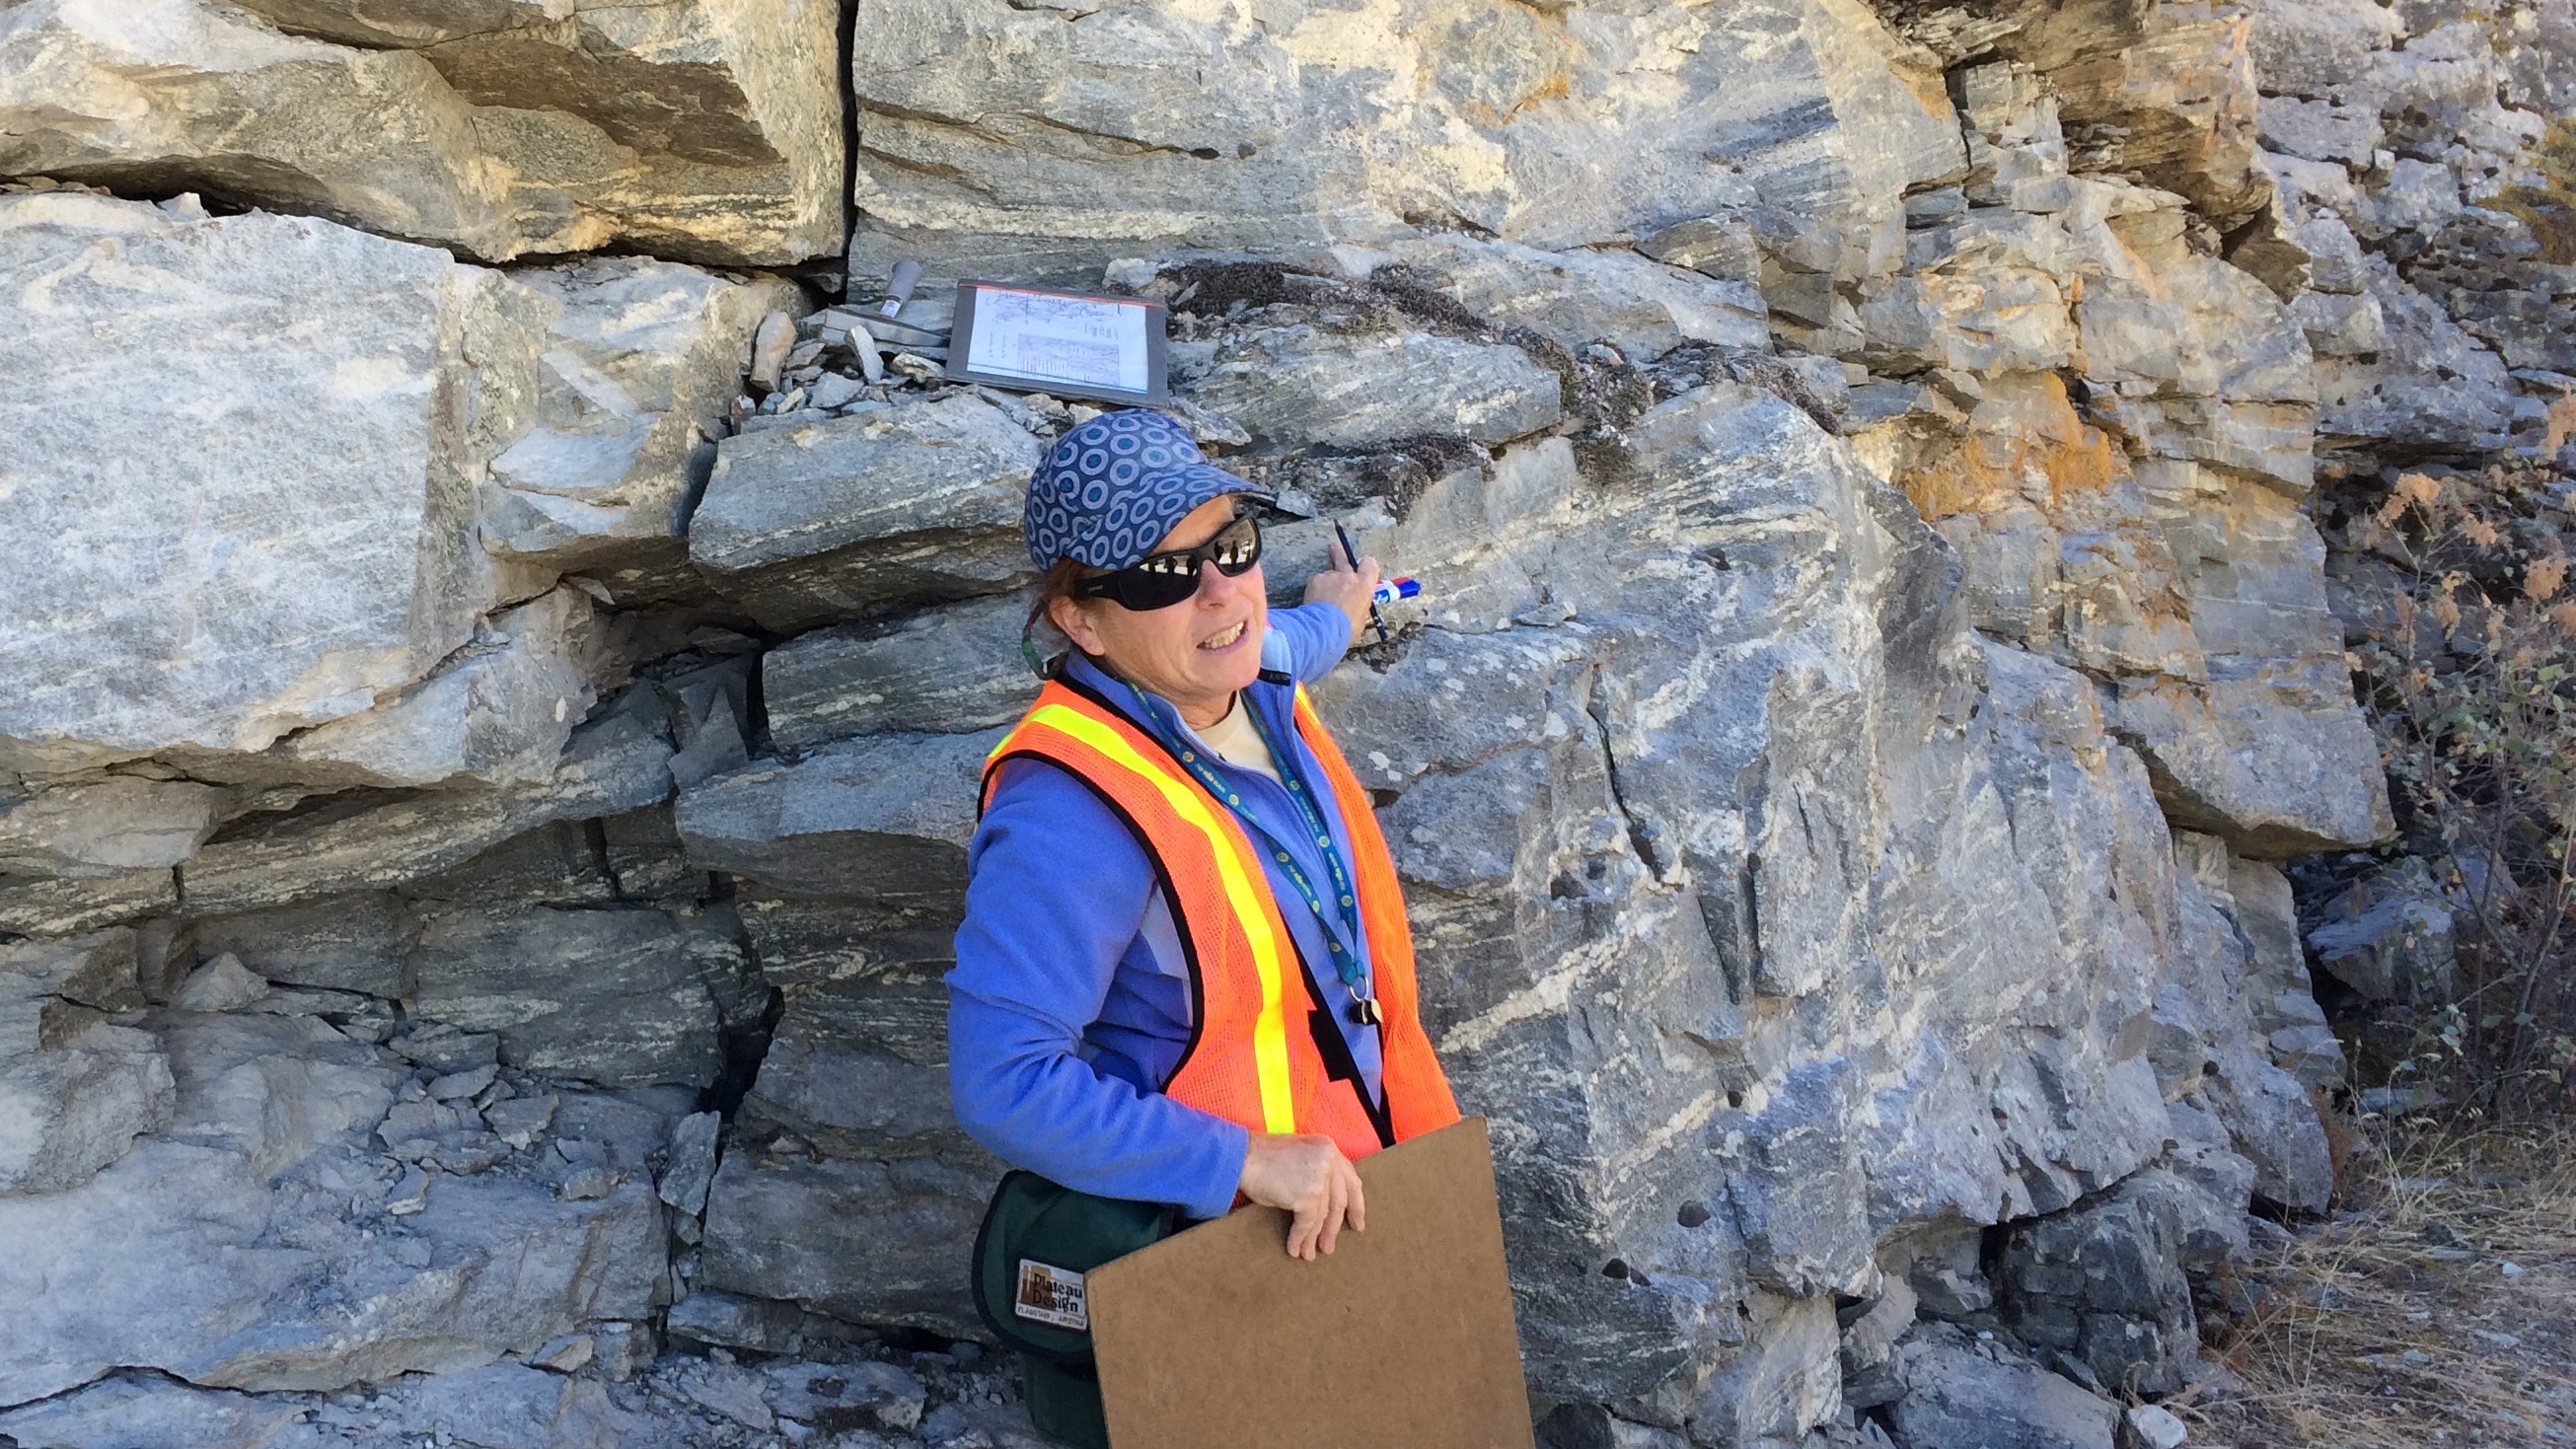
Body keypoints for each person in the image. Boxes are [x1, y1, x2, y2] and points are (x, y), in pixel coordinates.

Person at [947, 407, 1463, 1439]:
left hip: (1362, 1193)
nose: (1221, 592)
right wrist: (1240, 1160)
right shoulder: (1069, 809)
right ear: (1080, 620)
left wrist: (1348, 607)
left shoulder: (1247, 662)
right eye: (1159, 573)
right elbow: (1000, 1079)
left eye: (1232, 545)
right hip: (1213, 1261)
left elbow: (1296, 636)